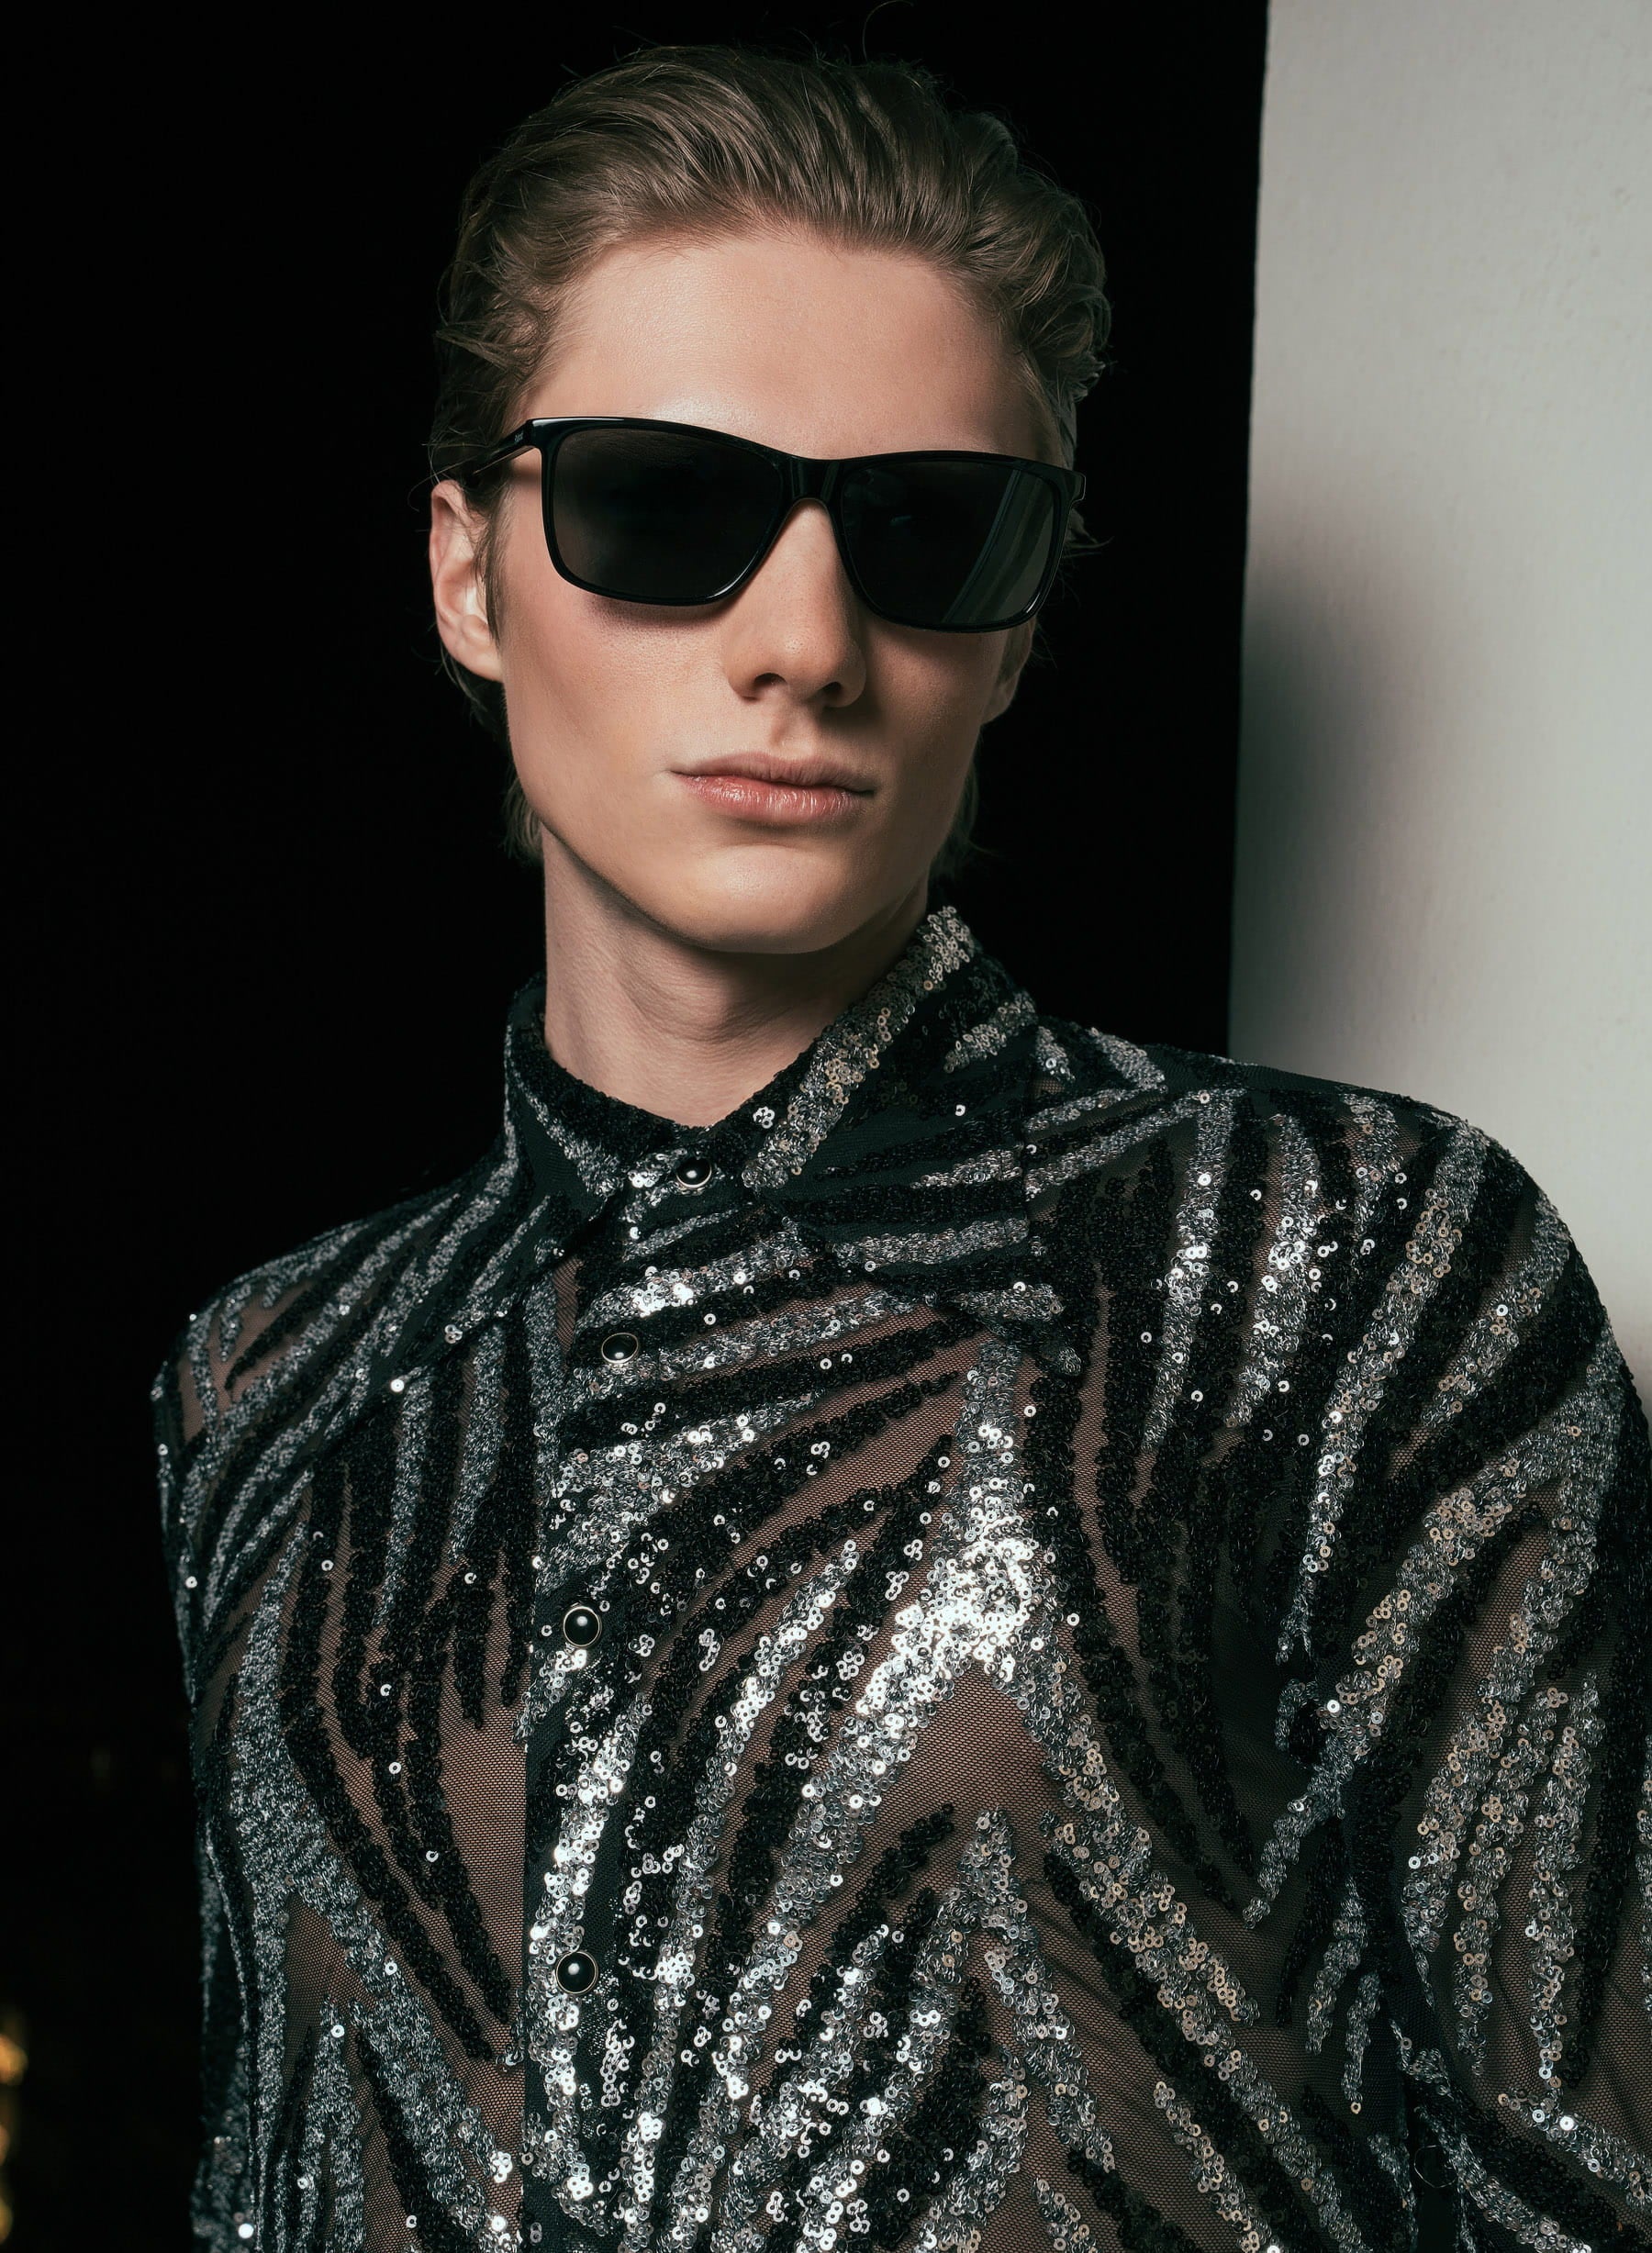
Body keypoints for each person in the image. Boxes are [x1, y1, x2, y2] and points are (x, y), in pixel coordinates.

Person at [153, 42, 1651, 2253]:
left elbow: (1590, 2175)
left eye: (932, 531)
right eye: (663, 506)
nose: (805, 644)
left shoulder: (1342, 1254)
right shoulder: (266, 1377)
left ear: (1018, 626)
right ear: (470, 572)